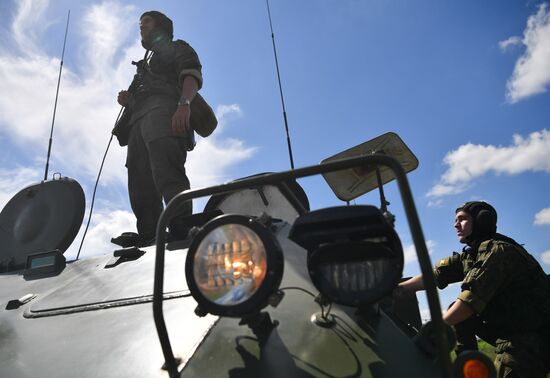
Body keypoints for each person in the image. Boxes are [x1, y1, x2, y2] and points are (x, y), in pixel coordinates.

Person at [397, 201, 550, 377]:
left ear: (481, 221)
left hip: (531, 339)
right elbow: (436, 275)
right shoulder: (473, 255)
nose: (455, 225)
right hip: (513, 332)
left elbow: (468, 303)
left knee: (459, 311)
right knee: (455, 310)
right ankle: (469, 366)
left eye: (462, 219)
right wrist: (398, 290)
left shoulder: (499, 252)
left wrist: (432, 331)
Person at [116, 11, 202, 246]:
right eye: (140, 23)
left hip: (163, 114)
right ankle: (148, 234)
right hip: (137, 124)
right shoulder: (145, 65)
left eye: (147, 21)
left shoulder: (177, 48)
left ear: (161, 26)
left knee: (168, 174)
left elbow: (191, 75)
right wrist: (128, 99)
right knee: (139, 180)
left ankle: (181, 230)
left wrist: (184, 104)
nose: (141, 26)